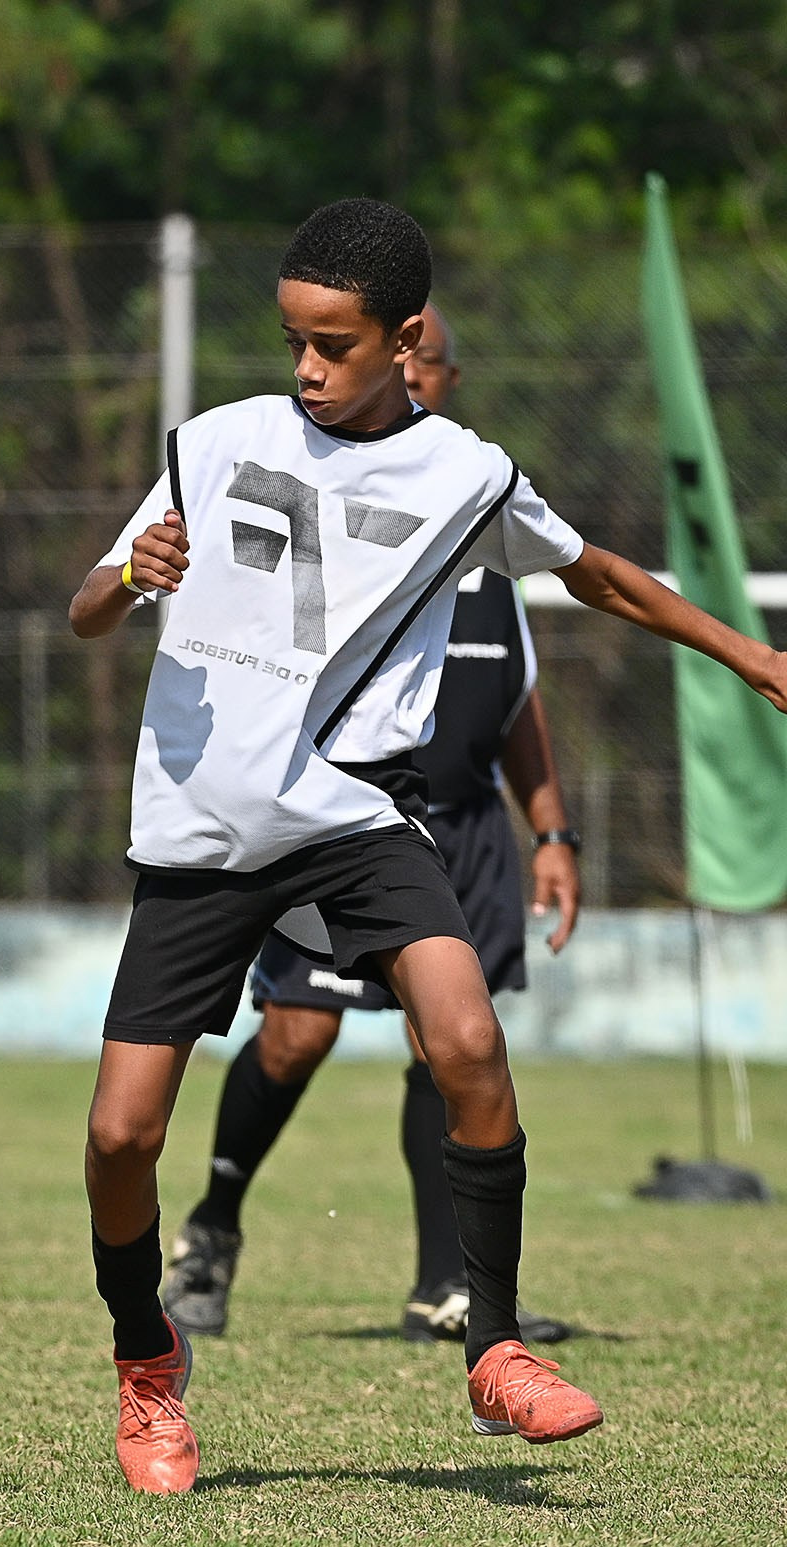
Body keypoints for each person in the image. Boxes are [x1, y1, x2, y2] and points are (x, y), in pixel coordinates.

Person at [67, 199, 787, 1496]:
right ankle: (146, 1358)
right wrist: (129, 578)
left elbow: (603, 574)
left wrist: (750, 655)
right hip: (199, 832)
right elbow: (84, 610)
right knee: (122, 1138)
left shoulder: (465, 473)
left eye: (332, 345)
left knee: (465, 1035)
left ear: (406, 341)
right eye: (291, 338)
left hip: (347, 810)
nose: (303, 368)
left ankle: (494, 1341)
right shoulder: (218, 443)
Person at [161, 303, 582, 1345]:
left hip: (465, 825)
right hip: (345, 809)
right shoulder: (338, 509)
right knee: (297, 1033)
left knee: (450, 1049)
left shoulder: (482, 524)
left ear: (435, 371)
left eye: (439, 367)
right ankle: (211, 1228)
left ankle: (446, 1288)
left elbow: (517, 703)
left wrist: (553, 831)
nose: (426, 384)